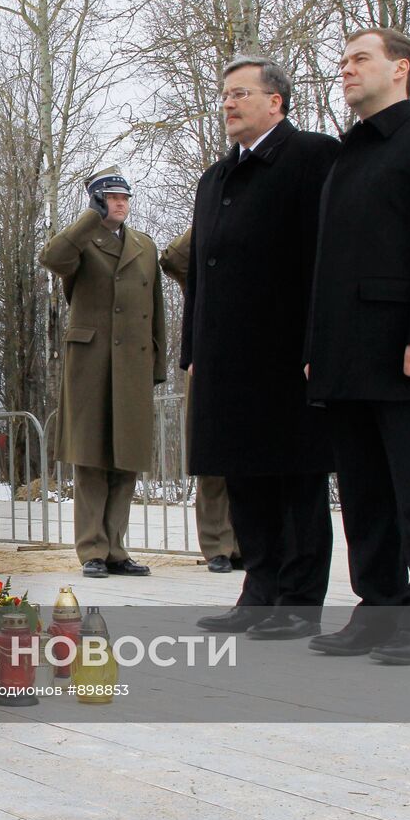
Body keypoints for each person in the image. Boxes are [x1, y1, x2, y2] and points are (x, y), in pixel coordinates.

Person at [305, 28, 410, 665]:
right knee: (362, 492)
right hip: (343, 354)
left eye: (360, 59)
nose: (346, 70)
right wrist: (315, 346)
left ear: (399, 69)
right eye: (343, 61)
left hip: (403, 349)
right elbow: (327, 263)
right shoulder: (345, 157)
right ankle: (376, 608)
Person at [181, 57, 339, 640]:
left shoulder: (312, 158)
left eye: (240, 93)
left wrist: (320, 340)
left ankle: (299, 600)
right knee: (244, 477)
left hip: (287, 351)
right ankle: (259, 591)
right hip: (226, 355)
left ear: (276, 102)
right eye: (224, 94)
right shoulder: (215, 178)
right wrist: (192, 345)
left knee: (295, 477)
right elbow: (200, 269)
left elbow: (327, 258)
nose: (228, 103)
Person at [39, 166, 166, 578]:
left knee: (125, 459)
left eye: (125, 198)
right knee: (91, 458)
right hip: (92, 365)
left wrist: (158, 365)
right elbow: (51, 257)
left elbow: (157, 310)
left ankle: (116, 548)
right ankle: (92, 548)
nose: (120, 204)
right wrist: (88, 219)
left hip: (132, 365)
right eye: (111, 198)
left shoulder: (145, 246)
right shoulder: (81, 241)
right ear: (96, 201)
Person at [160, 228, 241, 574]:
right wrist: (209, 216)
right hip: (209, 362)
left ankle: (244, 543)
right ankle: (218, 545)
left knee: (248, 461)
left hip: (254, 360)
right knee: (213, 463)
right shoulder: (199, 266)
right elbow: (172, 257)